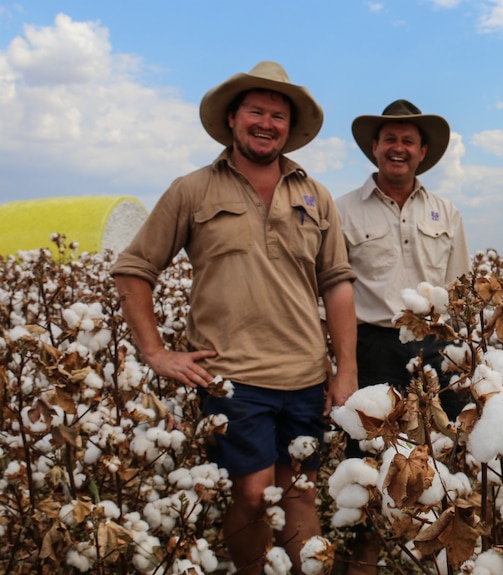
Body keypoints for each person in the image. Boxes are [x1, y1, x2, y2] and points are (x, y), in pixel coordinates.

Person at [111, 61, 357, 575]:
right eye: (256, 111)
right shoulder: (193, 190)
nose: (267, 123)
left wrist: (346, 370)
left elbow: (336, 282)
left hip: (306, 377)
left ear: (290, 128)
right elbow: (135, 269)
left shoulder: (315, 195)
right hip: (233, 381)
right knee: (250, 495)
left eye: (279, 115)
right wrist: (155, 352)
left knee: (302, 494)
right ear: (232, 119)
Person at [334, 99, 470, 574]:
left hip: (436, 349)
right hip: (372, 348)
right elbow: (331, 290)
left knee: (445, 455)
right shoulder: (343, 211)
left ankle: (440, 555)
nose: (398, 148)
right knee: (368, 461)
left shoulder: (445, 212)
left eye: (407, 140)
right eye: (389, 139)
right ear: (374, 147)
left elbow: (459, 289)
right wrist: (340, 362)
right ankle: (363, 562)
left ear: (422, 151)